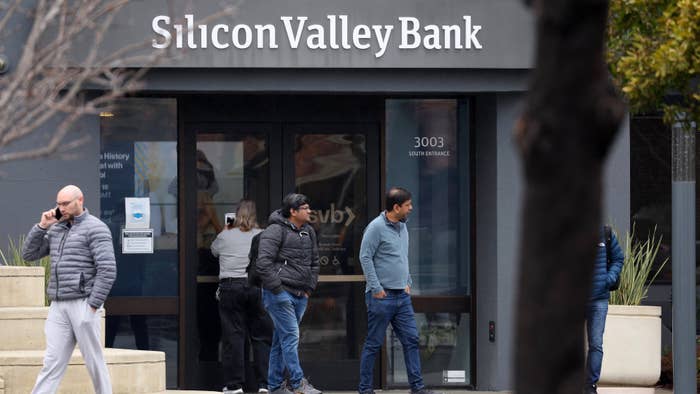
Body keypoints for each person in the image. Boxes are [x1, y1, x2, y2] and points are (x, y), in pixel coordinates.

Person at [21, 185, 117, 394]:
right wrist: (42, 226)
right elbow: (28, 254)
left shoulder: (96, 228)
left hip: (83, 302)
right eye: (58, 204)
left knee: (94, 361)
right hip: (58, 304)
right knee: (51, 361)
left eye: (65, 204)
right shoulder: (55, 228)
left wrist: (92, 306)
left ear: (80, 200)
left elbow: (107, 270)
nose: (61, 208)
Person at [358, 187, 436, 394]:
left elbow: (402, 257)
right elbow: (364, 257)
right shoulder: (375, 227)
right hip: (381, 297)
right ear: (396, 207)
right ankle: (365, 390)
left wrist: (407, 280)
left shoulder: (403, 227)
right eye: (408, 205)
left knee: (411, 340)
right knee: (373, 344)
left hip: (402, 296)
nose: (411, 208)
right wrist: (376, 288)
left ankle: (417, 388)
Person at [256, 193, 322, 394]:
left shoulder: (308, 231)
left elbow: (314, 262)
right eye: (305, 208)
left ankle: (275, 386)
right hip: (279, 293)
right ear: (293, 211)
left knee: (281, 339)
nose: (309, 211)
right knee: (291, 336)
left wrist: (309, 288)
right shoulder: (275, 230)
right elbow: (263, 263)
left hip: (300, 294)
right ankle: (297, 382)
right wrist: (277, 288)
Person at [211, 200, 272, 394]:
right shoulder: (262, 235)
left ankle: (234, 385)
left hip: (231, 288)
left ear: (236, 215)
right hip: (255, 287)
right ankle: (264, 384)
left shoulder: (225, 235)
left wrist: (225, 229)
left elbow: (213, 251)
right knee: (261, 337)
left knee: (233, 336)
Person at [584, 226, 624, 394]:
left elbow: (618, 258)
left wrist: (610, 278)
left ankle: (590, 387)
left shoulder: (604, 233)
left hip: (599, 300)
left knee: (596, 345)